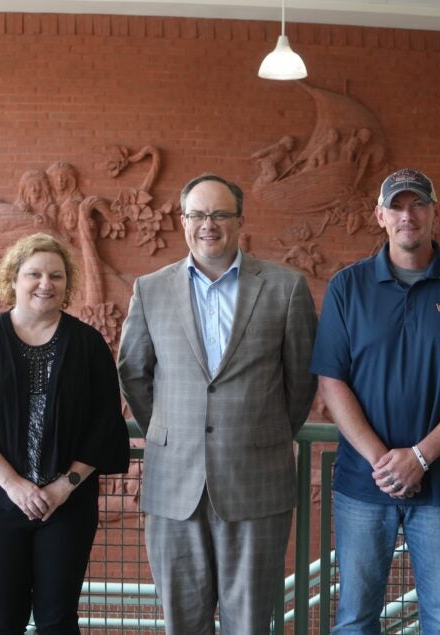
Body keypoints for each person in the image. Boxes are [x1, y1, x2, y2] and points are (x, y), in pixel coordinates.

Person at [311, 168, 440, 634]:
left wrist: (420, 457)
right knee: (355, 618)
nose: (408, 215)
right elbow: (331, 381)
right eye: (397, 207)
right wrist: (385, 461)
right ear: (379, 216)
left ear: (435, 213)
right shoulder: (347, 286)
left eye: (418, 204)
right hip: (364, 484)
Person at [117, 173, 317, 634]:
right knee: (183, 622)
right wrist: (169, 430)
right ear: (183, 221)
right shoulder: (151, 289)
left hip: (256, 480)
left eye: (220, 214)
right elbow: (133, 372)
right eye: (198, 214)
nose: (209, 224)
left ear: (240, 221)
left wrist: (260, 433)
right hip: (174, 483)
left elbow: (301, 379)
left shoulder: (286, 288)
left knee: (248, 622)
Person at [0, 233, 130, 635]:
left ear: (67, 284)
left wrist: (64, 486)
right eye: (35, 274)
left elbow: (104, 422)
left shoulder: (88, 343)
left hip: (68, 507)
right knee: (4, 622)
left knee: (58, 622)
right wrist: (14, 486)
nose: (46, 283)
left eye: (56, 276)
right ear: (14, 279)